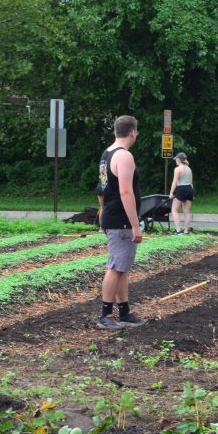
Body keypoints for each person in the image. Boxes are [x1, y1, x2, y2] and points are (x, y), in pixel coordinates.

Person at [97, 115, 145, 330]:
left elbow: (102, 189)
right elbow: (126, 192)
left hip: (111, 216)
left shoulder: (106, 154)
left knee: (122, 267)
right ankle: (106, 314)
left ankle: (124, 311)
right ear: (132, 131)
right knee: (116, 267)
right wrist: (135, 224)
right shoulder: (124, 156)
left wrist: (101, 213)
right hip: (120, 220)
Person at [169, 152, 194, 234]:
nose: (176, 160)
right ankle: (186, 231)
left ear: (179, 159)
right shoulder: (189, 168)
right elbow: (191, 182)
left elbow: (175, 181)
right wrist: (191, 192)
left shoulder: (177, 169)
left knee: (174, 210)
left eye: (176, 159)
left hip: (181, 188)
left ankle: (178, 231)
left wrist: (171, 193)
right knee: (187, 211)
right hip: (189, 189)